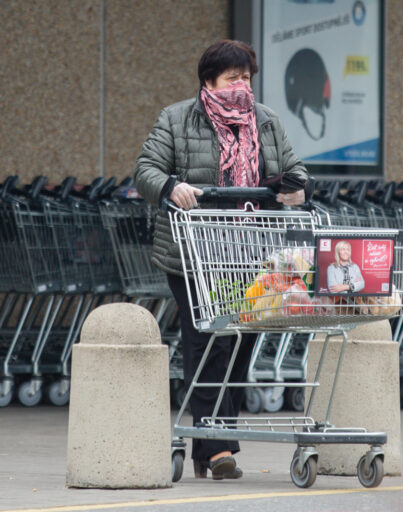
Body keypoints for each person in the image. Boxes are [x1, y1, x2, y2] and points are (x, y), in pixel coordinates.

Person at [134, 40, 308, 481]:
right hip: (196, 252)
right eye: (233, 77)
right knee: (208, 341)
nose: (241, 85)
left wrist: (296, 188)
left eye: (246, 77)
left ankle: (211, 445)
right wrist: (172, 187)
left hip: (252, 252)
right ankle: (218, 449)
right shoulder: (176, 118)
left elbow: (295, 169)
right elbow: (146, 171)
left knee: (242, 345)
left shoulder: (265, 121)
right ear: (208, 81)